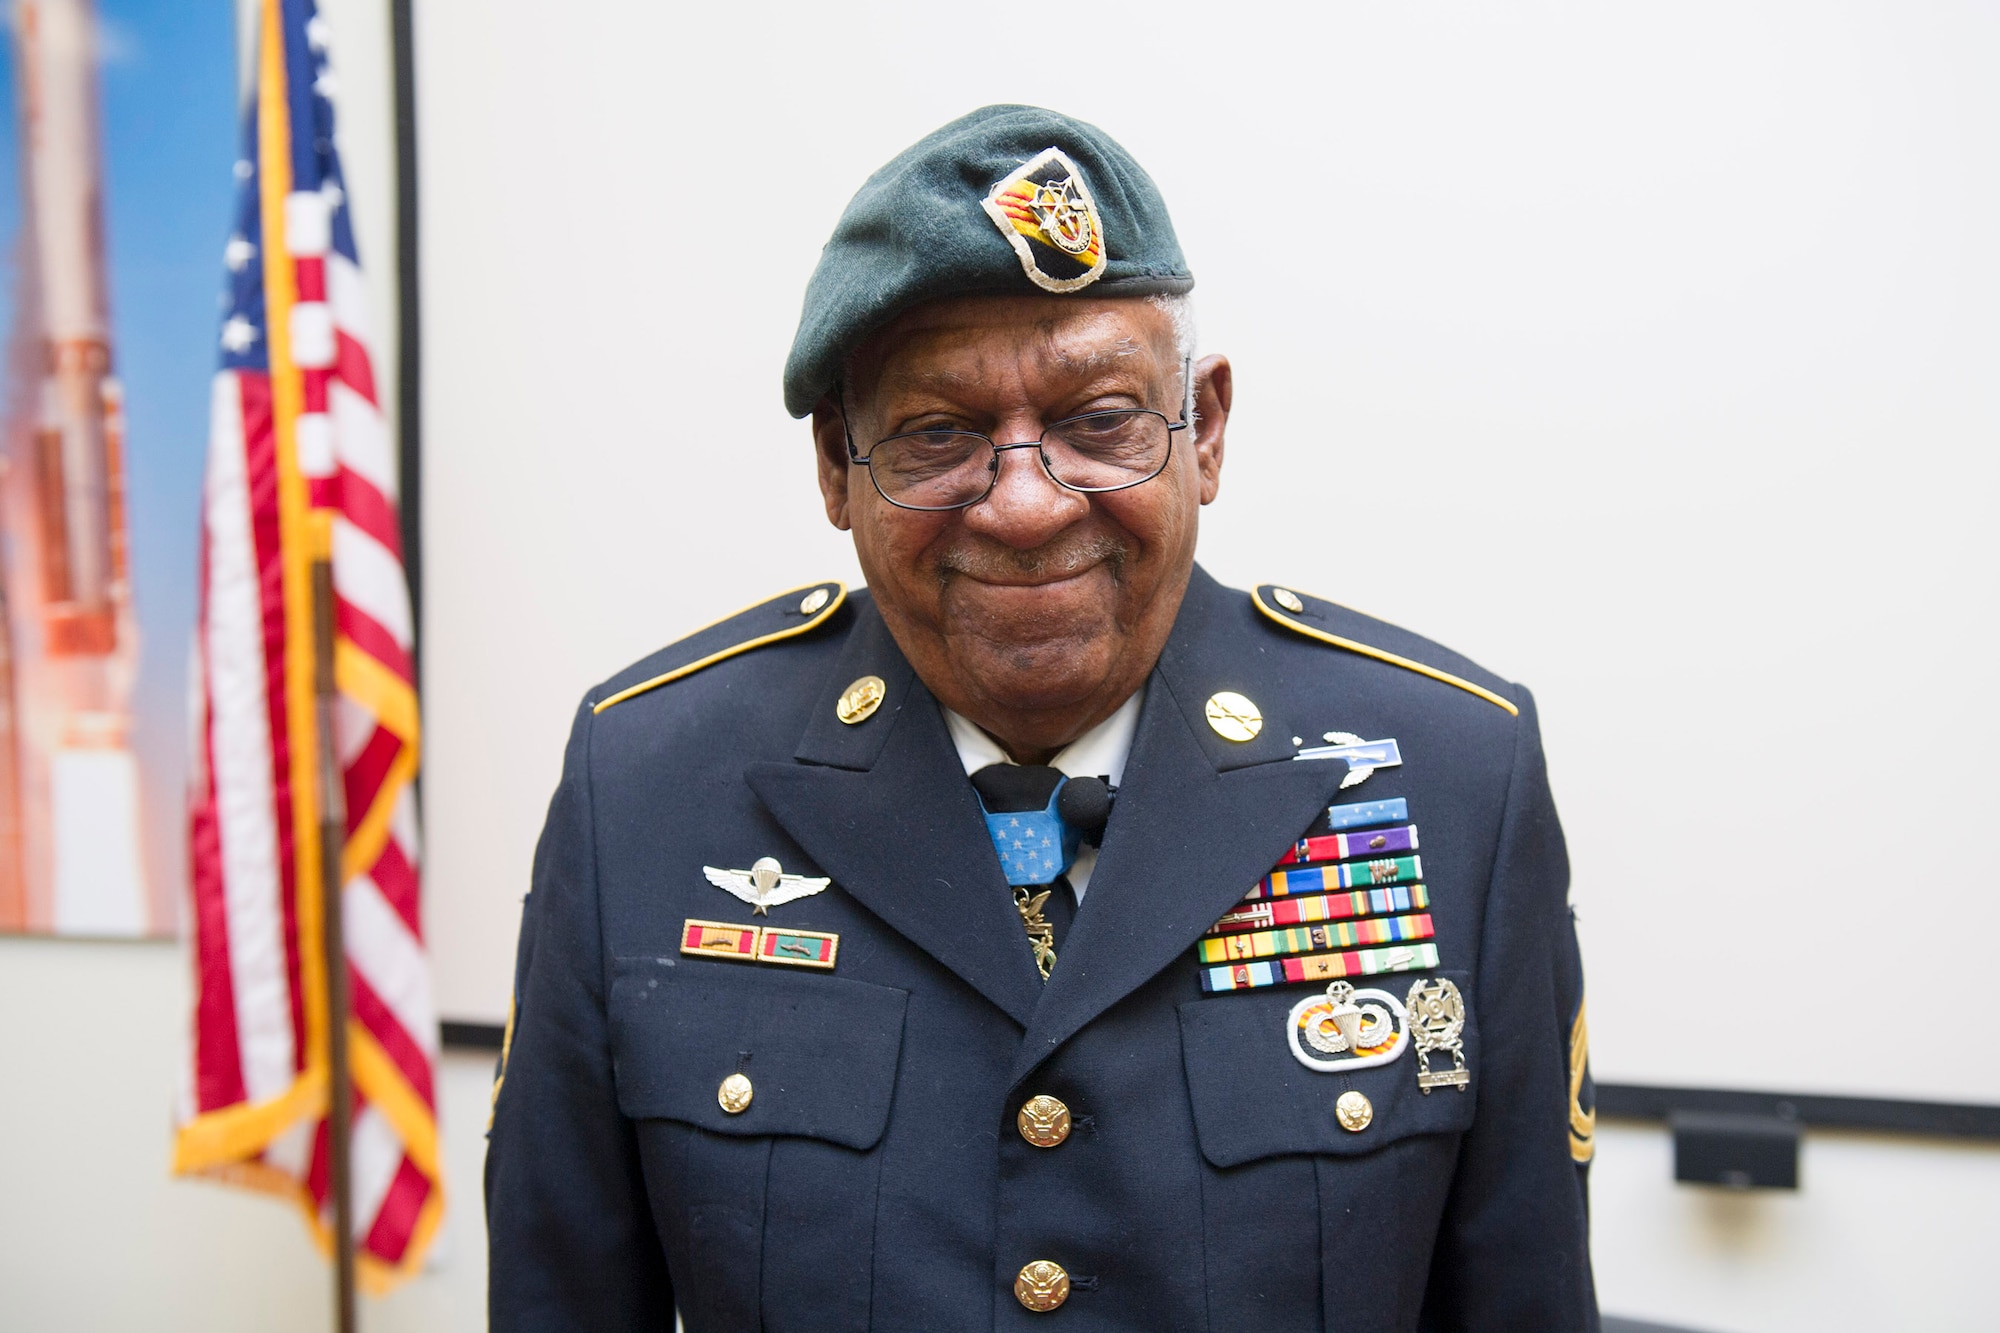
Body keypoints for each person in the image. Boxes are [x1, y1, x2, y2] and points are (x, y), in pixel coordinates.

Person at [486, 104, 1599, 1332]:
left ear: (1206, 429)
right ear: (834, 468)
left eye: (1098, 419)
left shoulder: (1450, 776)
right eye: (936, 435)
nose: (1023, 504)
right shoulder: (644, 783)